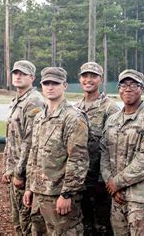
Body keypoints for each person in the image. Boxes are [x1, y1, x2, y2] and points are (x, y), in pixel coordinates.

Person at [23, 67, 89, 234]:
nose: (50, 87)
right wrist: (30, 187)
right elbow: (34, 155)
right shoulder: (39, 118)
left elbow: (78, 159)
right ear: (41, 85)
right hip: (39, 195)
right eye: (46, 83)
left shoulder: (73, 117)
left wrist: (67, 194)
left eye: (55, 83)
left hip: (58, 196)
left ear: (65, 85)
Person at [100, 69, 144, 235]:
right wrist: (110, 184)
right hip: (117, 197)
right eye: (124, 85)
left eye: (134, 85)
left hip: (143, 199)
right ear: (119, 89)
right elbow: (104, 153)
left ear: (142, 89)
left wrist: (117, 183)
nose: (128, 89)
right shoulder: (113, 120)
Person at [75, 62, 120, 235]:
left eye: (93, 76)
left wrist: (104, 178)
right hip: (81, 178)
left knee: (103, 226)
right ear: (80, 79)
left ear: (100, 79)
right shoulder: (76, 108)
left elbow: (114, 146)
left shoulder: (110, 108)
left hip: (100, 180)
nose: (88, 80)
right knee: (84, 224)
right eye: (85, 76)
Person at [1, 60, 45, 235]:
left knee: (27, 223)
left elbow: (31, 141)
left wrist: (19, 173)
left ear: (32, 78)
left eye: (23, 73)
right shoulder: (17, 100)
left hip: (26, 174)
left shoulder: (34, 101)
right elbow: (11, 138)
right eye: (15, 73)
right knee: (18, 221)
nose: (18, 76)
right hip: (15, 171)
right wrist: (7, 168)